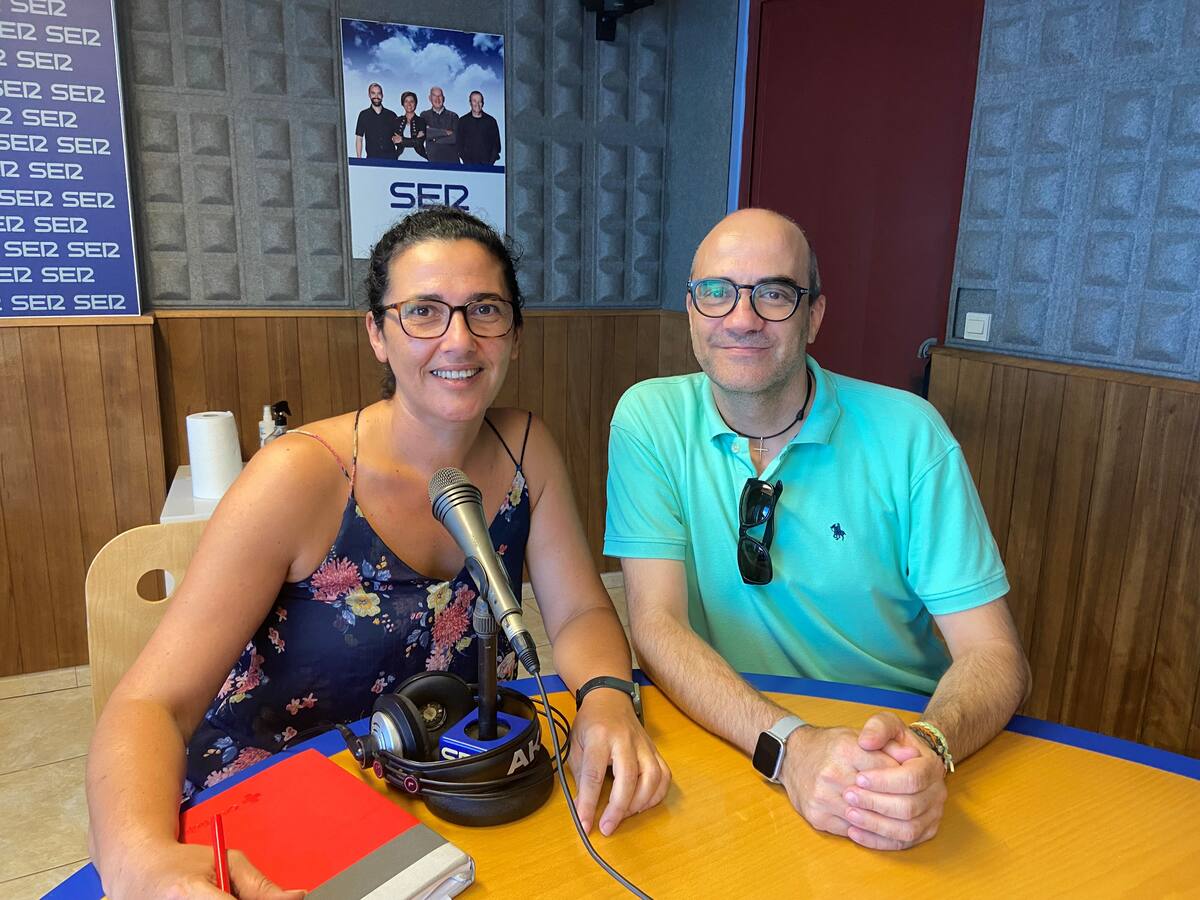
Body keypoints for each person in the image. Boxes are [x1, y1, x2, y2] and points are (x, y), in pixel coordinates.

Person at [87, 207, 670, 898]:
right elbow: (151, 704)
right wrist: (139, 860)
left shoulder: (526, 449)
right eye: (423, 312)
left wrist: (605, 696)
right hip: (274, 806)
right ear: (377, 334)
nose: (459, 339)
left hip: (448, 783)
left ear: (515, 334)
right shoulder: (299, 476)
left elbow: (578, 613)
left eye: (485, 310)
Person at [604, 208, 1029, 852]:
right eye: (716, 292)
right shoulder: (648, 420)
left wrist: (924, 747)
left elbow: (994, 655)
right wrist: (791, 748)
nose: (741, 318)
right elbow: (656, 625)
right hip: (733, 733)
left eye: (774, 294)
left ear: (815, 316)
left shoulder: (911, 435)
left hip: (890, 748)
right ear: (691, 309)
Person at [354, 82, 399, 159]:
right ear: (369, 95)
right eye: (373, 93)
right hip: (372, 159)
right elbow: (359, 138)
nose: (376, 96)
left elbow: (398, 137)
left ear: (382, 95)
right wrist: (359, 159)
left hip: (391, 159)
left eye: (379, 93)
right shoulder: (363, 115)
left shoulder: (392, 115)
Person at [457, 91, 501, 166]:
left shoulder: (491, 121)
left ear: (482, 103)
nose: (477, 104)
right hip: (468, 166)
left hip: (488, 166)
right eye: (474, 101)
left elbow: (496, 146)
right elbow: (459, 145)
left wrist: (490, 164)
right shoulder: (462, 121)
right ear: (470, 102)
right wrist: (467, 162)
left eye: (479, 101)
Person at [422, 86, 459, 164]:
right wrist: (445, 132)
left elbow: (455, 137)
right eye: (434, 96)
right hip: (432, 161)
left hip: (452, 161)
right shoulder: (424, 115)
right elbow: (425, 132)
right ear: (430, 98)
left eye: (440, 96)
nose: (437, 99)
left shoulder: (453, 116)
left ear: (443, 98)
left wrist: (434, 138)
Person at [392, 90, 426, 159]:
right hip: (401, 158)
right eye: (406, 101)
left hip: (419, 158)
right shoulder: (397, 121)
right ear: (402, 104)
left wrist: (402, 140)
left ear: (415, 103)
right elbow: (396, 142)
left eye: (412, 101)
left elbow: (419, 142)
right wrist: (414, 140)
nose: (409, 104)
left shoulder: (421, 121)